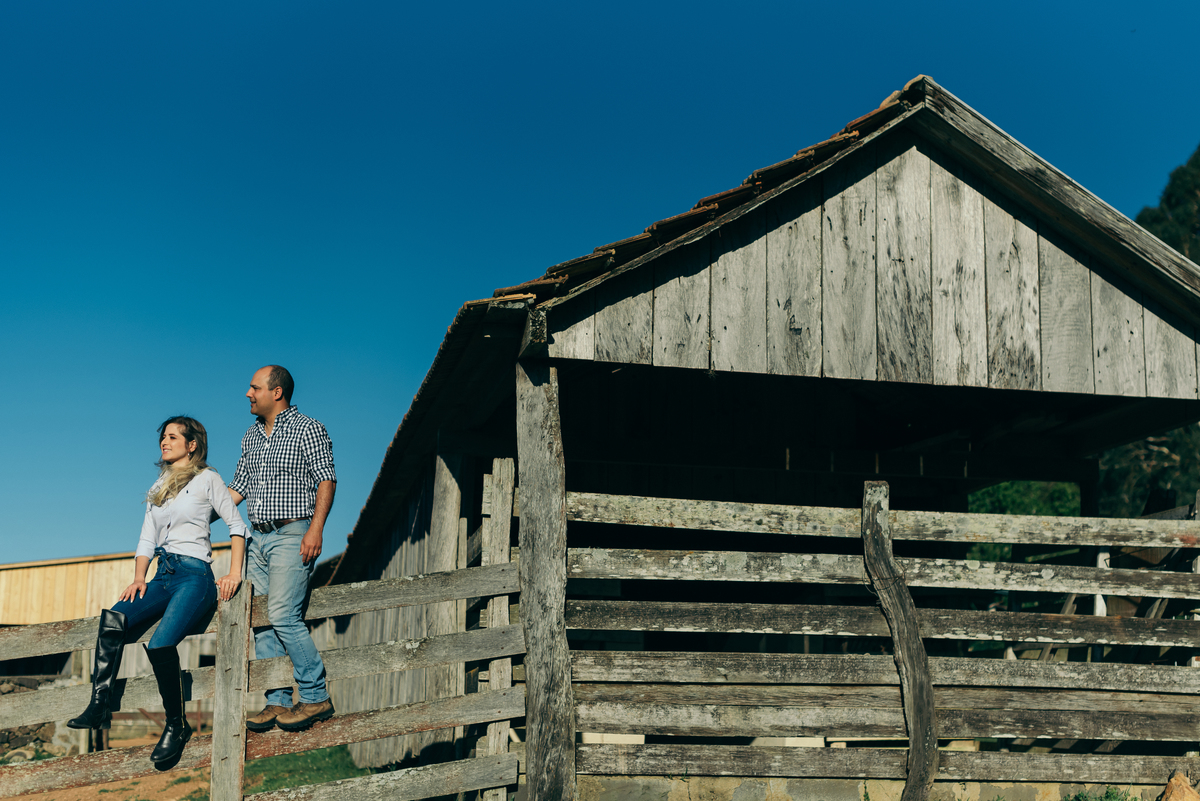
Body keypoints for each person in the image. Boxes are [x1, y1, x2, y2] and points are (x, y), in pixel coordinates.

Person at [68, 417, 246, 765]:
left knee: (161, 643)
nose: (164, 441)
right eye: (163, 436)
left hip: (194, 576)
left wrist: (234, 572)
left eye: (173, 437)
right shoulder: (159, 486)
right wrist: (139, 577)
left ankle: (176, 726)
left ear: (192, 445)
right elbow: (146, 538)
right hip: (162, 575)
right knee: (114, 619)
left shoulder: (208, 479)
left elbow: (237, 525)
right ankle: (99, 706)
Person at [228, 365, 337, 732]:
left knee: (283, 615)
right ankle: (277, 701)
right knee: (262, 624)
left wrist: (316, 530)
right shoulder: (251, 435)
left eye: (254, 387)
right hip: (256, 539)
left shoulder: (308, 428)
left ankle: (316, 696)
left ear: (276, 392)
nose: (248, 394)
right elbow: (237, 488)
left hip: (293, 533)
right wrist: (193, 514)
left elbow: (326, 479)